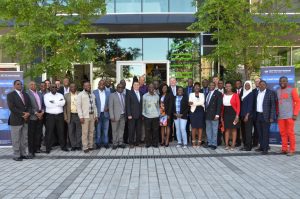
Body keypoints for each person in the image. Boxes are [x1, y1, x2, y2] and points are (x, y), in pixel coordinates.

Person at [7, 80, 31, 161]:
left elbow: (29, 106)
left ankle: (23, 153)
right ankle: (17, 155)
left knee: (24, 139)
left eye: (21, 84)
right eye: (18, 84)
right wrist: (23, 114)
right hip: (16, 120)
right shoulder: (10, 95)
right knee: (16, 139)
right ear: (14, 86)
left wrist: (28, 113)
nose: (20, 85)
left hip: (25, 120)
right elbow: (12, 108)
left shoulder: (25, 94)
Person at [277, 76, 300, 156]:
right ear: (279, 82)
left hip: (290, 116)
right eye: (281, 81)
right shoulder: (278, 91)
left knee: (290, 133)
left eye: (284, 81)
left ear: (287, 82)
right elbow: (277, 104)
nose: (282, 82)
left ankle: (292, 150)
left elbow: (298, 102)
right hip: (280, 116)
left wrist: (295, 114)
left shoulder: (292, 90)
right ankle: (284, 149)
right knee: (283, 133)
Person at [44, 84, 68, 153]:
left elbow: (63, 103)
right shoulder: (46, 95)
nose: (54, 88)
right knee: (49, 132)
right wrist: (58, 102)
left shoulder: (60, 95)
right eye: (52, 87)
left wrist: (53, 102)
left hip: (60, 116)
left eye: (55, 87)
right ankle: (48, 148)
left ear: (57, 88)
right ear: (50, 88)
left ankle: (63, 146)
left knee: (61, 131)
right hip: (50, 116)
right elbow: (48, 105)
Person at [255, 80, 276, 155]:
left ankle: (265, 149)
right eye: (260, 85)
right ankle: (261, 147)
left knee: (265, 133)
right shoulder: (257, 93)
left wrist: (271, 117)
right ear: (258, 85)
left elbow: (273, 106)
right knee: (259, 133)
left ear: (266, 86)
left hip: (266, 116)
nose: (261, 86)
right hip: (258, 115)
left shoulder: (270, 93)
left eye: (263, 85)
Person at [77, 81, 98, 153]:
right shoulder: (80, 95)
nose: (88, 87)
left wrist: (96, 115)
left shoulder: (92, 94)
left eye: (89, 85)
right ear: (83, 87)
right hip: (85, 116)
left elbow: (95, 106)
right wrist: (81, 117)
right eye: (86, 86)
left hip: (92, 115)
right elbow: (78, 107)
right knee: (85, 132)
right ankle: (85, 147)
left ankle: (90, 145)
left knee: (92, 131)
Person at [27, 81, 44, 157]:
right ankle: (31, 151)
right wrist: (36, 113)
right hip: (33, 116)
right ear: (29, 86)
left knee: (39, 133)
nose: (33, 85)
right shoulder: (27, 94)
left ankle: (37, 148)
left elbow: (43, 104)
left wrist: (42, 112)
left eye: (34, 84)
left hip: (40, 115)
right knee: (31, 134)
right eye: (31, 84)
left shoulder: (39, 93)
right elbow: (29, 106)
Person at [222, 82, 240, 151]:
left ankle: (233, 145)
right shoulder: (223, 95)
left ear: (231, 87)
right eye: (227, 86)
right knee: (226, 129)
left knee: (234, 130)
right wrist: (221, 116)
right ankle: (226, 145)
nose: (228, 87)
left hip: (233, 113)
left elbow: (238, 106)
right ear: (225, 87)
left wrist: (237, 116)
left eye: (229, 86)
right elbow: (222, 106)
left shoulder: (235, 95)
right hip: (226, 114)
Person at [64, 83, 81, 151]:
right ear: (69, 88)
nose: (73, 88)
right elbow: (64, 107)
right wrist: (65, 116)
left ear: (76, 87)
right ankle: (73, 145)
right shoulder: (66, 95)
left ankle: (78, 145)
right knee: (71, 131)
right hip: (70, 115)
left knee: (79, 131)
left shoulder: (80, 94)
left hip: (79, 115)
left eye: (74, 86)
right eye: (71, 87)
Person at [205, 82, 222, 150]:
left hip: (214, 115)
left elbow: (219, 105)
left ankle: (214, 144)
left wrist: (217, 114)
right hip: (207, 114)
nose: (211, 86)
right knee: (208, 130)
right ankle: (209, 143)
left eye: (213, 85)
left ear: (215, 86)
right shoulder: (207, 93)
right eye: (210, 85)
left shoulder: (218, 93)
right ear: (209, 86)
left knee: (214, 130)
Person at [93, 80, 110, 149]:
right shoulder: (94, 92)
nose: (102, 85)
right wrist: (95, 115)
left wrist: (108, 107)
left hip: (106, 114)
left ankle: (106, 143)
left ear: (105, 85)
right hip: (98, 115)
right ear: (98, 84)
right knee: (98, 130)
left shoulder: (108, 92)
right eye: (100, 84)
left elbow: (110, 102)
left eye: (103, 84)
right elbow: (93, 104)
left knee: (106, 130)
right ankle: (98, 143)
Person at [109, 83, 126, 149]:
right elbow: (110, 107)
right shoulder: (112, 95)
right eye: (119, 87)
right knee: (114, 130)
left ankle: (120, 142)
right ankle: (115, 143)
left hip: (123, 115)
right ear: (116, 88)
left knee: (121, 130)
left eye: (122, 87)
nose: (120, 89)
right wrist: (112, 116)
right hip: (115, 116)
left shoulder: (124, 95)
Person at [142, 83, 160, 148]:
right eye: (150, 87)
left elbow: (158, 106)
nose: (151, 88)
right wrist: (143, 114)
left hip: (155, 116)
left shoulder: (157, 96)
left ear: (154, 88)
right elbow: (143, 106)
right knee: (147, 130)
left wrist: (158, 114)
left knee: (155, 130)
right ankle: (148, 143)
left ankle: (155, 143)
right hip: (147, 116)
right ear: (148, 88)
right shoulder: (144, 96)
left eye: (152, 87)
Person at [126, 81, 143, 148]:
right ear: (133, 86)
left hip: (139, 115)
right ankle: (131, 143)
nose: (136, 86)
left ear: (139, 86)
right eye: (135, 85)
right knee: (131, 130)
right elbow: (128, 105)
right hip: (132, 115)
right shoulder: (129, 93)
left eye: (137, 85)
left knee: (139, 130)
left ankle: (137, 142)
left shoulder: (141, 93)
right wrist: (129, 114)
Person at [189, 82, 205, 148]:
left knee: (200, 128)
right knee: (194, 127)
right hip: (193, 112)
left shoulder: (202, 94)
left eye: (198, 86)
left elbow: (202, 102)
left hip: (200, 112)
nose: (197, 87)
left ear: (200, 87)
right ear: (194, 87)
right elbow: (190, 103)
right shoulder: (191, 94)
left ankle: (199, 142)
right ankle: (193, 142)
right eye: (195, 86)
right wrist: (198, 103)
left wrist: (194, 103)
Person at [240, 81, 254, 151]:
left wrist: (247, 115)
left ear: (251, 86)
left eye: (248, 85)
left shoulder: (251, 94)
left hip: (247, 116)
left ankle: (249, 147)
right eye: (246, 85)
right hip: (242, 115)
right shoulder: (244, 93)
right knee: (244, 131)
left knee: (248, 132)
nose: (247, 86)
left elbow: (250, 106)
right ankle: (245, 145)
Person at [120, 79, 130, 144]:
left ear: (125, 84)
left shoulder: (129, 91)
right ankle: (120, 139)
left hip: (127, 112)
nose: (123, 84)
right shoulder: (118, 91)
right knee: (120, 127)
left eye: (124, 83)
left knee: (127, 127)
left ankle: (126, 140)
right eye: (121, 83)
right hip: (120, 113)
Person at [252, 77, 261, 148]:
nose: (257, 83)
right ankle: (255, 143)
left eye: (258, 81)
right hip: (255, 113)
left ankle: (262, 143)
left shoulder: (264, 90)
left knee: (261, 129)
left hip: (262, 113)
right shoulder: (253, 91)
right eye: (256, 82)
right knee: (255, 128)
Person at [234, 79, 243, 147]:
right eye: (236, 84)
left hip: (242, 112)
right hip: (235, 112)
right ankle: (237, 141)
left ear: (241, 84)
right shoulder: (233, 91)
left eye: (239, 83)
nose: (237, 85)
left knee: (243, 128)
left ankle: (244, 141)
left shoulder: (244, 91)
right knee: (236, 128)